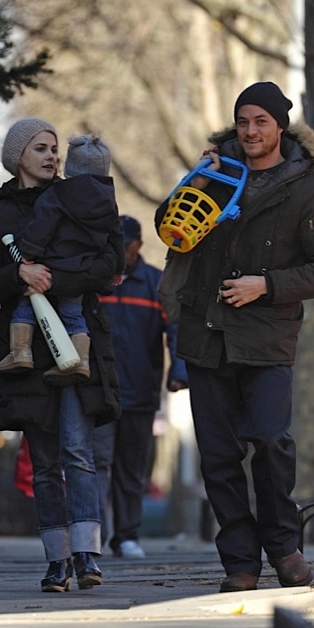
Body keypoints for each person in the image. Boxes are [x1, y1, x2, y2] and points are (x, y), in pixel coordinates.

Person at [154, 82, 314, 592]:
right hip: (205, 336)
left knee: (269, 442)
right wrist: (196, 184)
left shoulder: (306, 187)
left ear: (280, 126)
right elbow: (168, 226)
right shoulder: (215, 170)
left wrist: (268, 285)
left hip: (267, 339)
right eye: (243, 121)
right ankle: (239, 562)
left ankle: (283, 548)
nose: (250, 131)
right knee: (218, 457)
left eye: (261, 121)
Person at [0, 118, 121, 592]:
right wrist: (21, 277)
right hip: (26, 351)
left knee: (79, 452)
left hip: (75, 344)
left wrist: (54, 279)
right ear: (18, 156)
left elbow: (108, 267)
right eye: (41, 148)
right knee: (43, 461)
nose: (52, 156)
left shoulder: (82, 194)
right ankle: (57, 562)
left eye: (55, 148)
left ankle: (87, 556)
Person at [0, 133, 125, 386]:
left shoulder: (58, 193)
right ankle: (81, 362)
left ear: (71, 167)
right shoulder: (109, 199)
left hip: (51, 264)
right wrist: (118, 268)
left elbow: (43, 225)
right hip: (83, 270)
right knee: (74, 315)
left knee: (27, 306)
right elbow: (116, 235)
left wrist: (29, 255)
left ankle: (21, 352)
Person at [97, 215, 188, 558]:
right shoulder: (97, 281)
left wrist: (178, 371)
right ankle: (97, 537)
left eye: (125, 247)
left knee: (132, 469)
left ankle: (127, 536)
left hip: (141, 391)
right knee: (98, 464)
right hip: (100, 393)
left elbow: (175, 330)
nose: (120, 252)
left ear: (137, 245)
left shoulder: (155, 284)